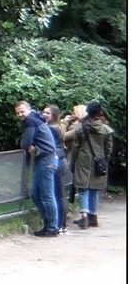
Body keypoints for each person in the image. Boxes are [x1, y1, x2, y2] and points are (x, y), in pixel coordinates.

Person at [63, 100, 114, 229]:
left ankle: (84, 216)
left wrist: (73, 162)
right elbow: (108, 149)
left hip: (82, 160)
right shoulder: (106, 130)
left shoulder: (81, 128)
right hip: (99, 161)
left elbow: (75, 147)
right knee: (95, 190)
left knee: (83, 189)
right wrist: (104, 161)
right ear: (99, 114)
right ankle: (93, 216)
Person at [15, 100, 59, 237]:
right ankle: (47, 224)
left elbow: (25, 142)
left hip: (47, 161)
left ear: (29, 109)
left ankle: (52, 227)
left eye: (22, 111)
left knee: (47, 195)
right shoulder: (35, 119)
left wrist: (29, 146)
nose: (20, 114)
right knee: (35, 195)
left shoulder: (31, 121)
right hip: (42, 160)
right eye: (17, 113)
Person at [43, 104, 72, 231]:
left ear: (54, 115)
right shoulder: (59, 125)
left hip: (58, 161)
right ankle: (60, 223)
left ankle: (60, 223)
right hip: (60, 160)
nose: (44, 115)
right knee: (58, 193)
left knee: (58, 194)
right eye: (43, 112)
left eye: (47, 113)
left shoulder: (52, 128)